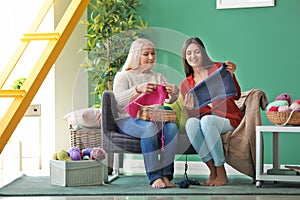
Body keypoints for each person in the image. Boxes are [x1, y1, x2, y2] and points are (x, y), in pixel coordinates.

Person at [113, 38, 180, 189]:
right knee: (148, 128)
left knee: (172, 128)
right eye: (146, 54)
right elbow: (117, 100)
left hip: (155, 118)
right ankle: (154, 176)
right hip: (128, 119)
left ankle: (166, 175)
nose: (151, 57)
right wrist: (137, 90)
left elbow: (168, 100)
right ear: (136, 55)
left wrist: (175, 92)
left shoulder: (158, 77)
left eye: (153, 53)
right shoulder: (124, 76)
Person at [179, 37, 244, 186]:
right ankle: (212, 170)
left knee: (206, 120)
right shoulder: (185, 85)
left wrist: (231, 76)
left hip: (229, 119)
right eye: (189, 53)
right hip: (206, 122)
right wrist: (189, 109)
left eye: (197, 52)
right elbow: (195, 116)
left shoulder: (218, 69)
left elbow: (236, 95)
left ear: (203, 53)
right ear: (185, 57)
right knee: (191, 124)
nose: (193, 56)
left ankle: (221, 170)